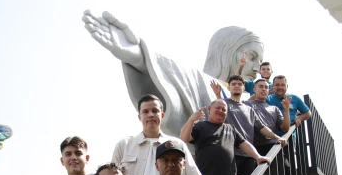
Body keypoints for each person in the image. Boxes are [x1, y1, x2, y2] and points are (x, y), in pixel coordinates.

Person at [83, 10, 263, 137]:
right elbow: (178, 75)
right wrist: (140, 56)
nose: (256, 67)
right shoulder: (203, 84)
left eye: (260, 62)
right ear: (227, 52)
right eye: (252, 56)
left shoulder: (252, 101)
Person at [112, 94, 235, 175]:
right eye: (145, 111)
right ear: (139, 117)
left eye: (155, 111)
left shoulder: (177, 145)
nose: (151, 115)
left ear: (163, 115)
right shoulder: (124, 145)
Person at [180, 99, 269, 175]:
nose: (221, 111)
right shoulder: (201, 126)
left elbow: (244, 144)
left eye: (224, 109)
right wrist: (191, 120)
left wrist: (258, 157)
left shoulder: (230, 128)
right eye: (218, 108)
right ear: (210, 109)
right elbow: (183, 139)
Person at [211, 75, 286, 175]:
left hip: (248, 155)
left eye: (240, 84)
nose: (236, 86)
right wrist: (218, 94)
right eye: (233, 84)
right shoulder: (225, 104)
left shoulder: (249, 109)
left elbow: (262, 127)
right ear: (229, 87)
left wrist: (276, 137)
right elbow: (218, 111)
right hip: (230, 153)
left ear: (243, 88)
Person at [246, 79, 291, 156]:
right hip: (253, 146)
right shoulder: (246, 105)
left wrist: (286, 110)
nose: (264, 89)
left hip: (271, 145)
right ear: (254, 89)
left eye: (266, 87)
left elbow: (285, 128)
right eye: (261, 86)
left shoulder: (274, 109)